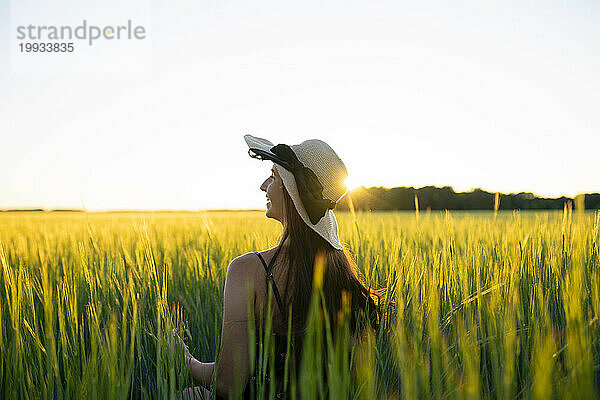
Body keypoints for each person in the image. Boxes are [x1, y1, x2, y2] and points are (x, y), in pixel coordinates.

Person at [173, 134, 381, 399]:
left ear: (292, 192)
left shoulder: (247, 270)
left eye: (273, 176)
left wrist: (183, 357)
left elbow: (229, 384)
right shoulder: (341, 271)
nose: (263, 186)